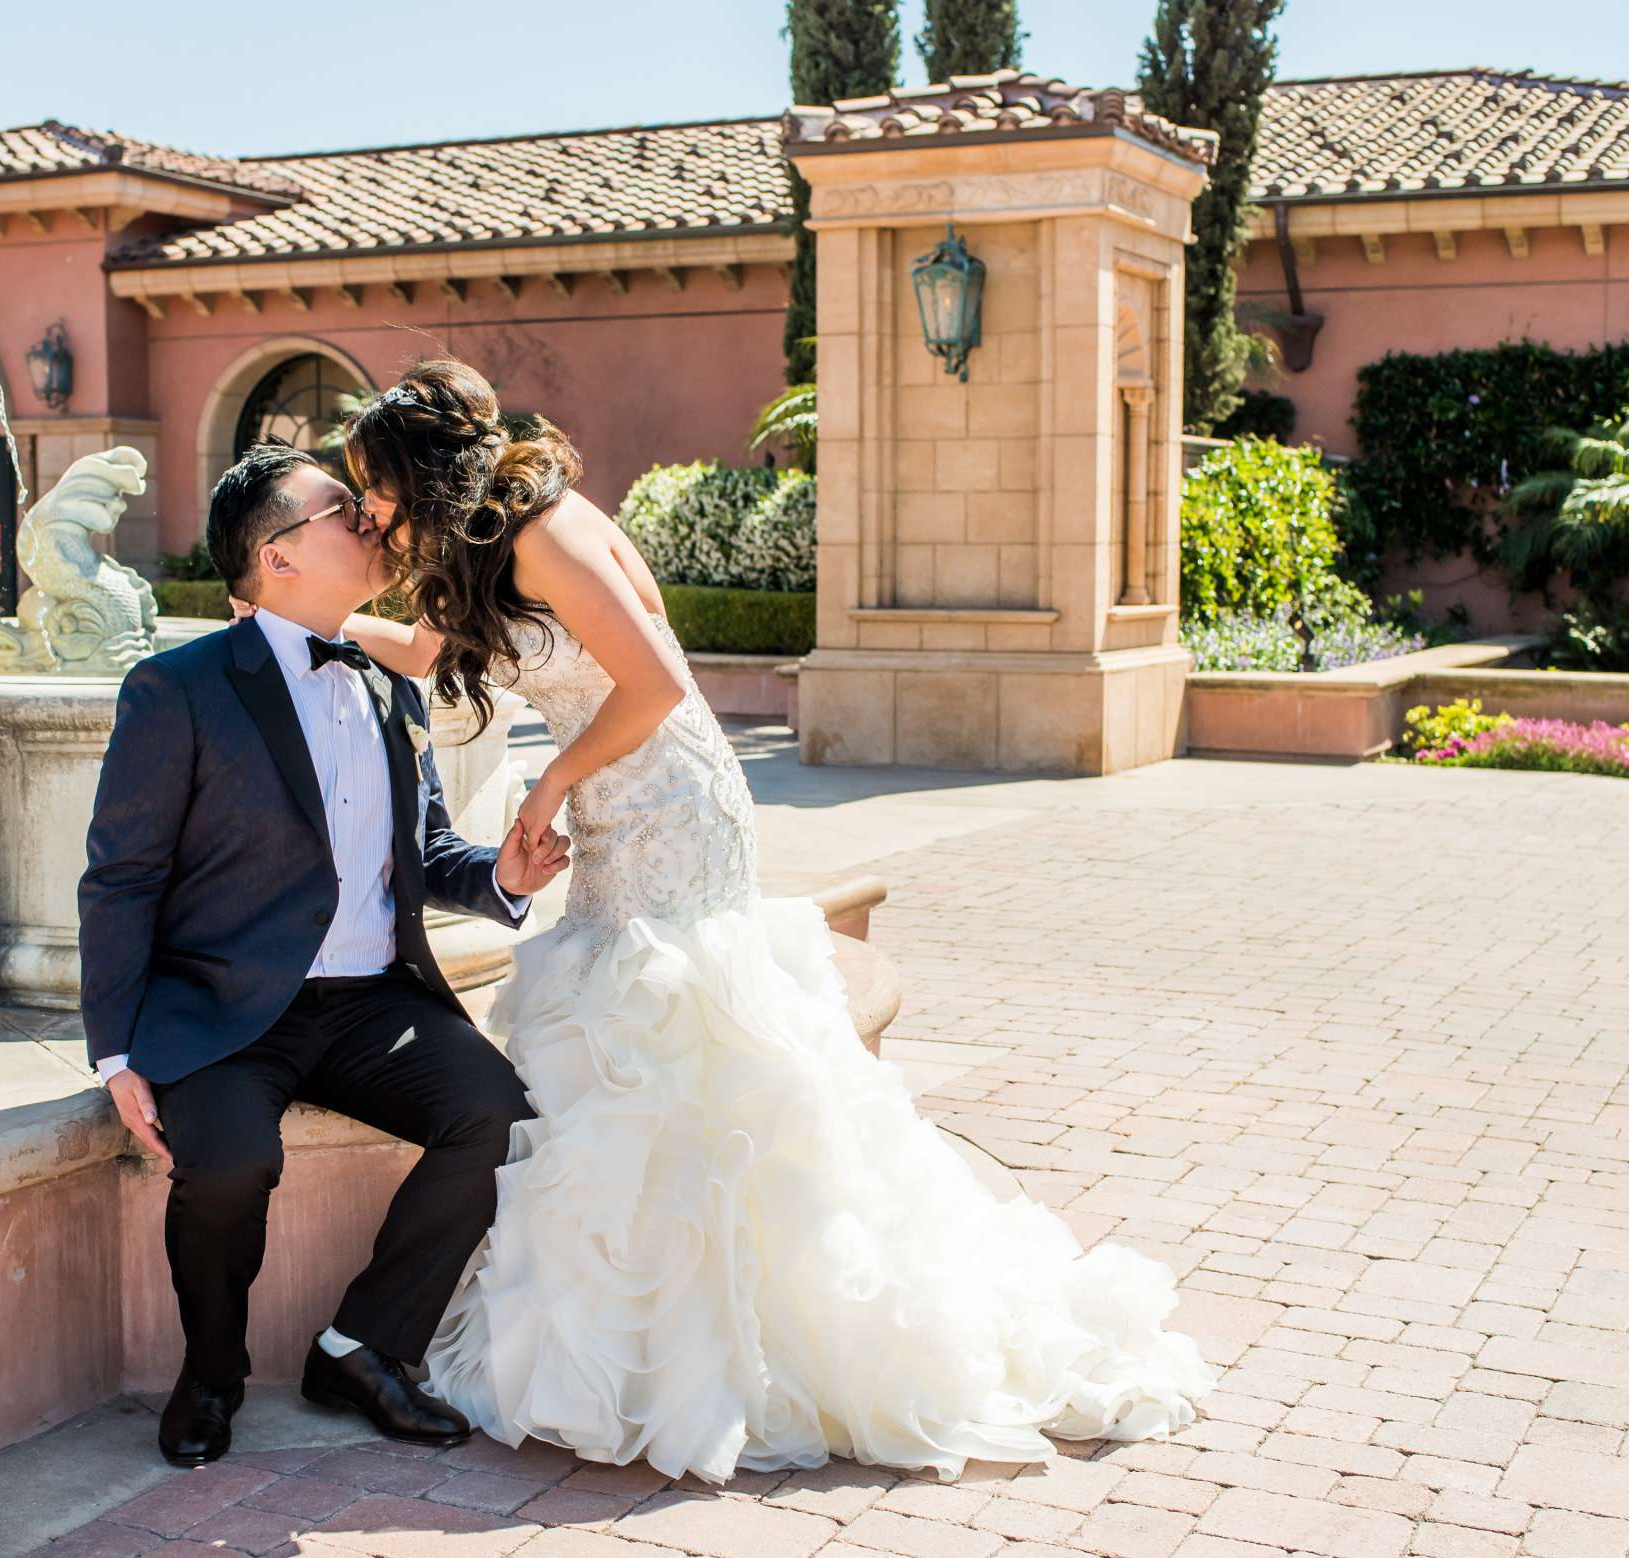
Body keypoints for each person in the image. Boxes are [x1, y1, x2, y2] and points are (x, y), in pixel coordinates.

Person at [325, 359, 1214, 1484]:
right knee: (633, 1038)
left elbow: (652, 684)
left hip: (671, 804)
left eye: (378, 491)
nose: (373, 515)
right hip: (617, 800)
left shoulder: (543, 527)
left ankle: (745, 1340)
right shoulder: (489, 546)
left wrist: (548, 789)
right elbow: (441, 655)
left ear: (422, 475)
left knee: (678, 1031)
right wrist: (315, 615)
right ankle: (651, 1330)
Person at [78, 439, 570, 1467]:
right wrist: (116, 1053)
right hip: (223, 1007)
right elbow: (120, 877)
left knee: (498, 1114)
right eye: (343, 510)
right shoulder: (176, 688)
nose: (371, 521)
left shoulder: (388, 683)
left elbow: (425, 853)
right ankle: (211, 1371)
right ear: (278, 555)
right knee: (227, 1163)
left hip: (370, 1002)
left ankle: (362, 1345)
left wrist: (505, 879)